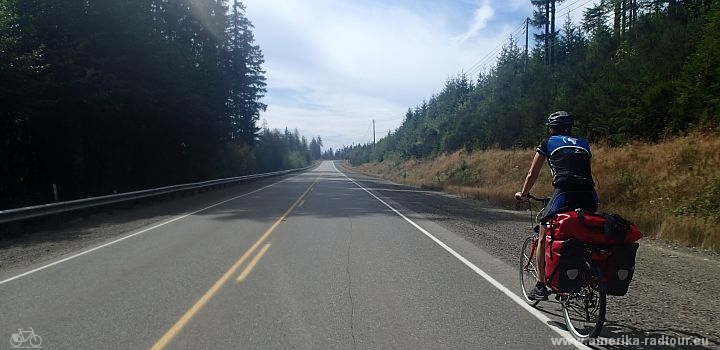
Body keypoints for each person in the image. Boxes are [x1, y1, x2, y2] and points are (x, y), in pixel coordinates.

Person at [515, 111, 598, 300]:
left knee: (544, 234)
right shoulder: (584, 144)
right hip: (590, 195)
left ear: (552, 128)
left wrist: (524, 193)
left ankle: (541, 286)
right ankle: (591, 275)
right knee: (585, 230)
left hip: (564, 193)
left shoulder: (548, 143)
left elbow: (531, 174)